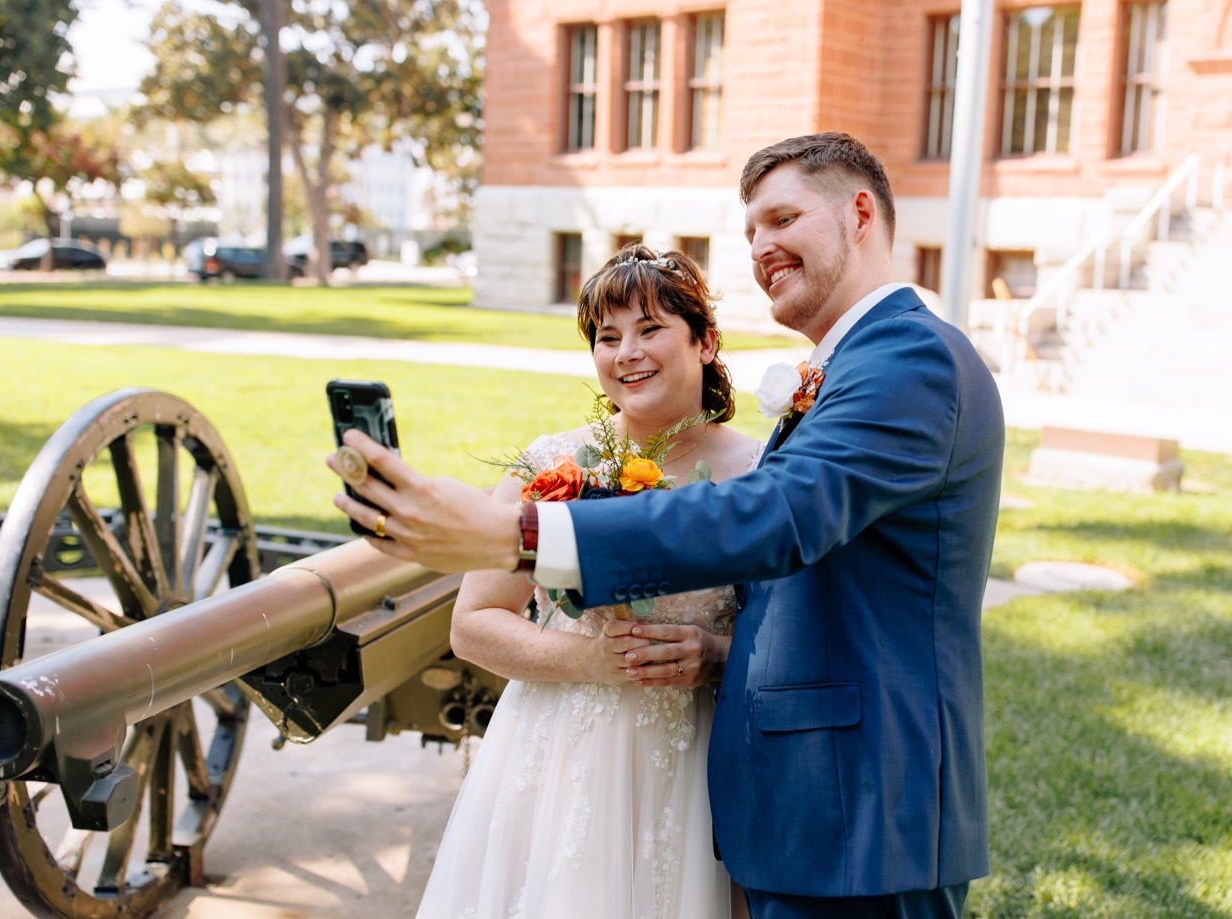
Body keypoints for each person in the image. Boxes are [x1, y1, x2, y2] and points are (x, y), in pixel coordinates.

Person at [332, 133, 1006, 919]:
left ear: (860, 213)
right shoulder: (857, 364)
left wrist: (525, 534)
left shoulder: (906, 361)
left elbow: (775, 514)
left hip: (859, 812)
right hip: (808, 807)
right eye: (751, 230)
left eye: (783, 218)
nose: (761, 248)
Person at [413, 245, 761, 919]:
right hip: (558, 756)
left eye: (650, 328)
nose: (626, 351)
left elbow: (788, 630)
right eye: (608, 336)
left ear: (707, 340)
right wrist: (593, 660)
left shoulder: (761, 471)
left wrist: (716, 657)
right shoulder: (552, 461)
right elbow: (473, 623)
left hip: (696, 760)